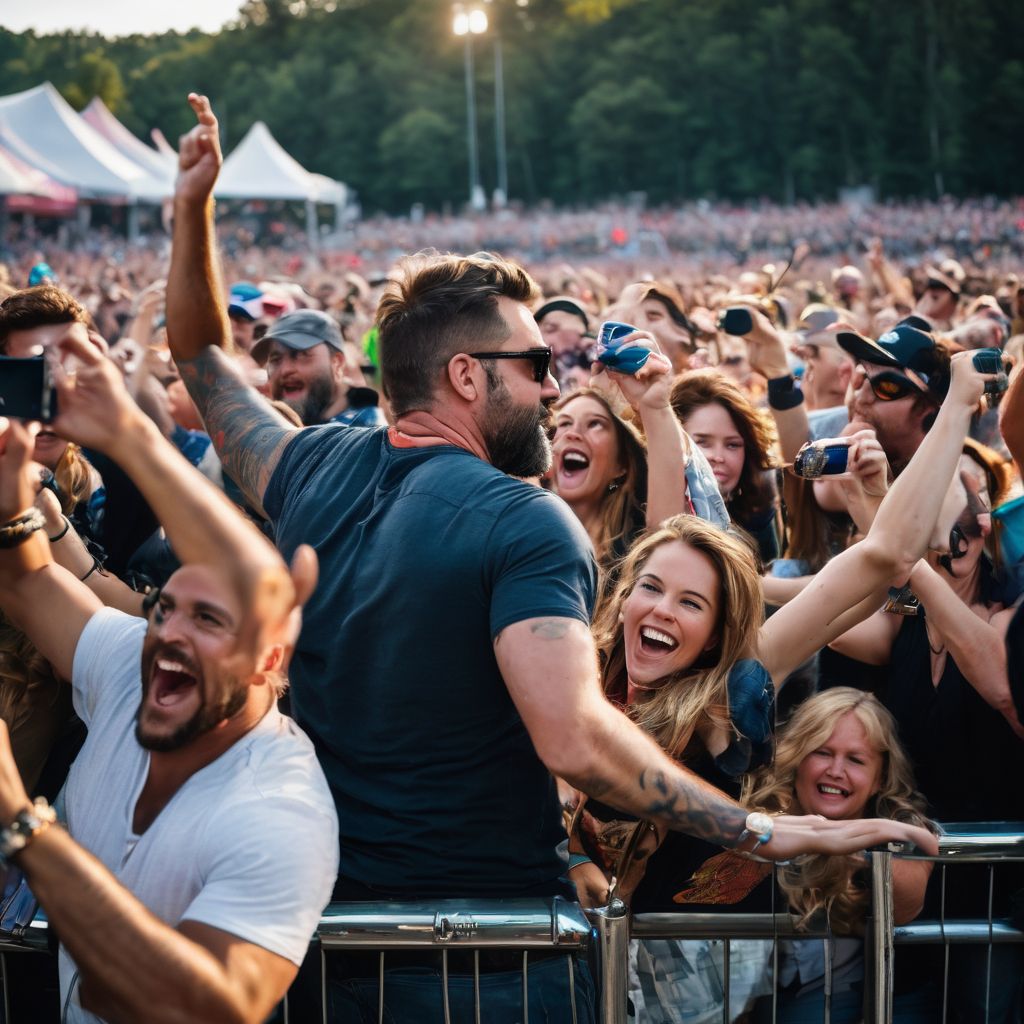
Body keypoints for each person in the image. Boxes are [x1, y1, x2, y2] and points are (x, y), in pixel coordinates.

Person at [166, 93, 940, 1022]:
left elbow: (203, 353)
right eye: (535, 365)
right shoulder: (522, 521)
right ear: (467, 376)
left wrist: (193, 212)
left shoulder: (308, 468)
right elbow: (571, 736)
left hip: (324, 938)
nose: (553, 382)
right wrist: (761, 829)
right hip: (491, 958)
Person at [0, 327, 337, 1022]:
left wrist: (20, 824)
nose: (170, 634)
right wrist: (10, 502)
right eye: (165, 609)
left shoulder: (281, 807)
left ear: (270, 660)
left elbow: (198, 1004)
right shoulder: (133, 664)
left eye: (208, 622)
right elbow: (26, 584)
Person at [744, 689, 936, 1023]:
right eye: (822, 752)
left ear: (880, 779)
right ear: (797, 759)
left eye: (856, 760)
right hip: (760, 993)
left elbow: (905, 908)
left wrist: (856, 845)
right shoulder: (759, 814)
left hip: (874, 993)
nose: (836, 770)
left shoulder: (896, 819)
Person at [549, 338, 687, 569]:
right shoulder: (522, 528)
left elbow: (666, 530)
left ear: (621, 464)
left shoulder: (636, 556)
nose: (573, 434)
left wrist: (654, 407)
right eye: (564, 424)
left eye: (595, 424)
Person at [669, 369, 781, 564]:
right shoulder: (642, 513)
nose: (718, 457)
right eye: (702, 442)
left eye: (732, 445)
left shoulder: (757, 514)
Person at [250, 309, 386, 427]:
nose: (285, 370)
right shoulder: (266, 426)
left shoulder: (365, 434)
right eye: (275, 359)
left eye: (302, 355)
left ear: (337, 363)